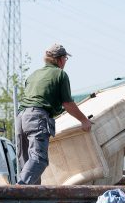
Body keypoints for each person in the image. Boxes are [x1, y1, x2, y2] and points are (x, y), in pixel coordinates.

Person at [15, 43, 92, 185]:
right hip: (37, 117)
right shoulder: (60, 74)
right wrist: (84, 120)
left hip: (21, 118)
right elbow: (68, 103)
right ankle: (19, 189)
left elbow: (41, 98)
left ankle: (28, 199)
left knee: (27, 162)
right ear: (60, 59)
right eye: (65, 59)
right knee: (39, 159)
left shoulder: (33, 75)